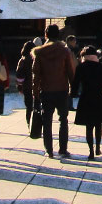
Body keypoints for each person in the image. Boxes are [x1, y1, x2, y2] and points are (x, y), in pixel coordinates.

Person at [32, 23, 77, 158]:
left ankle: (49, 149)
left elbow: (36, 75)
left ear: (45, 35)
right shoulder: (65, 51)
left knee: (47, 121)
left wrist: (35, 92)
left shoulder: (39, 52)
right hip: (62, 89)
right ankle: (63, 148)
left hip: (46, 90)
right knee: (63, 119)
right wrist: (72, 87)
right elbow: (70, 71)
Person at [73, 45, 102, 159]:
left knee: (89, 126)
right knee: (98, 124)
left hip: (86, 97)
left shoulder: (81, 67)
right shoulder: (100, 66)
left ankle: (91, 151)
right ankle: (98, 147)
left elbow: (75, 83)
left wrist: (73, 94)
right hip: (99, 97)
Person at [16, 40, 36, 126]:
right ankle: (36, 124)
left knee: (29, 107)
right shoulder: (36, 59)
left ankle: (28, 122)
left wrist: (20, 86)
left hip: (27, 86)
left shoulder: (23, 60)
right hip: (36, 85)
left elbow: (19, 75)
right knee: (37, 105)